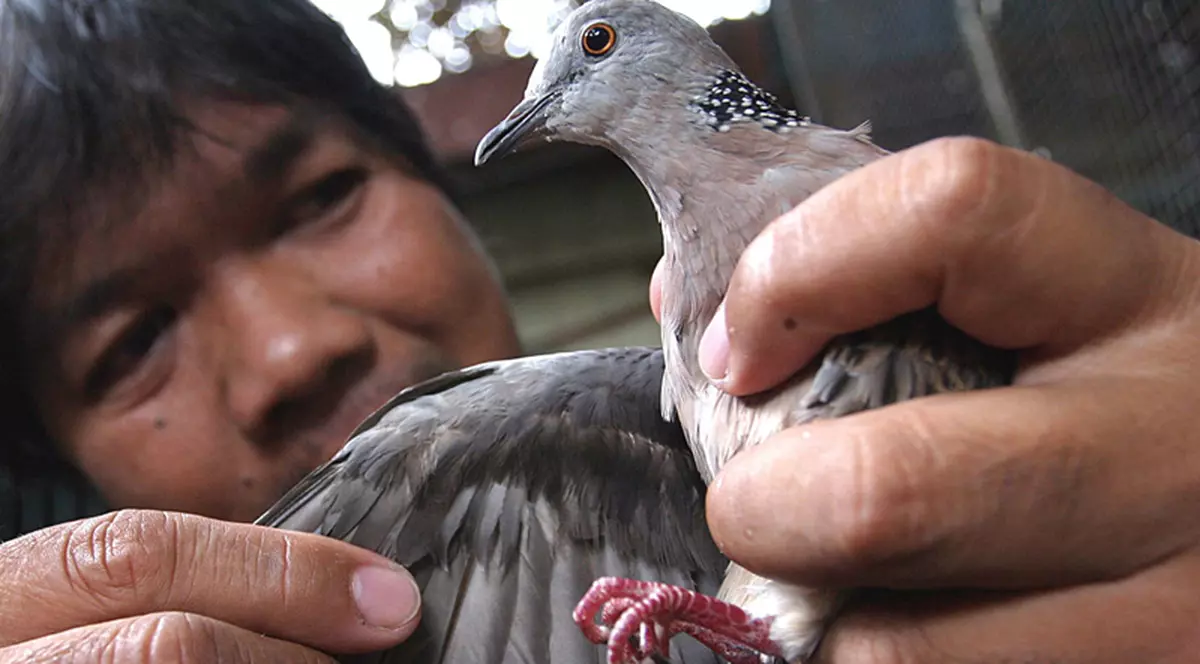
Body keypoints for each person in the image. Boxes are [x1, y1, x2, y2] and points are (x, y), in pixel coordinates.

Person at [0, 1, 1197, 662]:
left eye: (320, 199)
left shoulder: (915, 225)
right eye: (129, 339)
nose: (288, 349)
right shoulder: (573, 430)